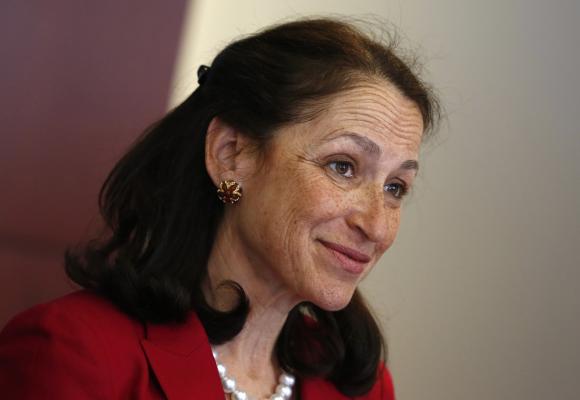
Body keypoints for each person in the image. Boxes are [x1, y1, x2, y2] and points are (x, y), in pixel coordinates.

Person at [0, 18, 439, 399]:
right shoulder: (71, 353)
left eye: (396, 187)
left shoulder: (360, 387)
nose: (377, 226)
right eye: (343, 166)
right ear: (231, 155)